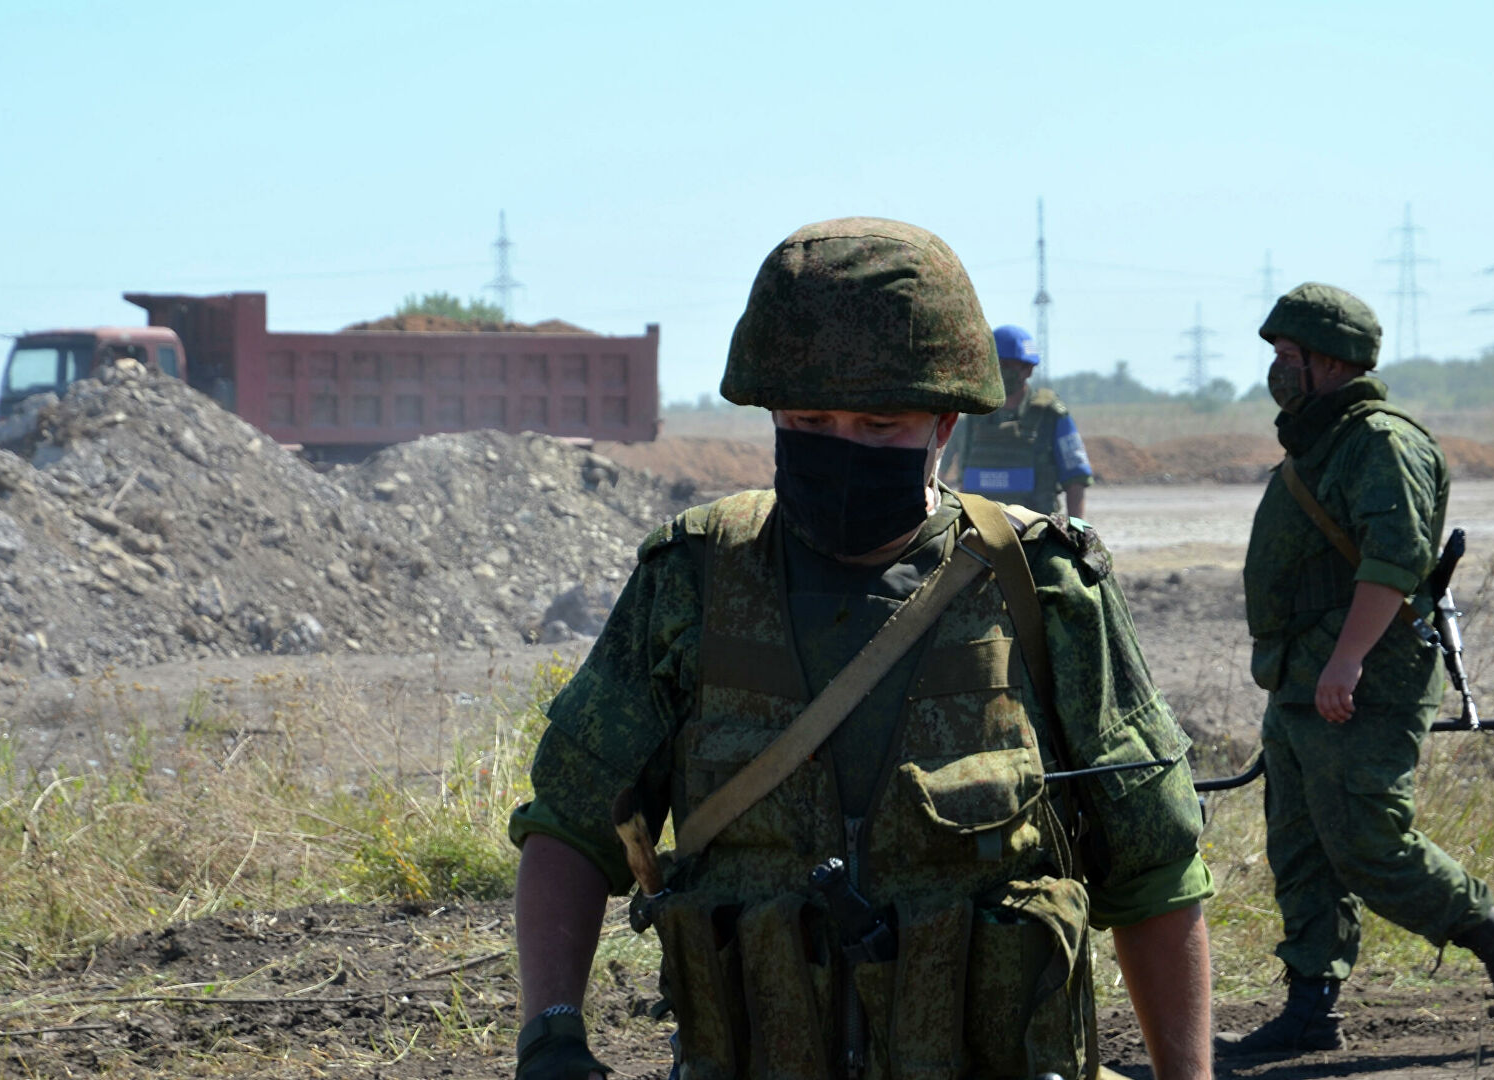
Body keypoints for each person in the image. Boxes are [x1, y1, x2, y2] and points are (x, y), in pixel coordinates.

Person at [509, 217, 1215, 1080]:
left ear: (944, 423)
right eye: (811, 419)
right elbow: (569, 825)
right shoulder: (692, 581)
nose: (843, 447)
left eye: (880, 425)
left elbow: (1155, 870)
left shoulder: (1043, 589)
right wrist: (550, 1031)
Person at [1218, 283, 1494, 1058]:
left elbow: (1394, 560)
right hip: (1305, 677)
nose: (1276, 370)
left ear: (1330, 361)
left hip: (1361, 677)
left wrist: (1346, 661)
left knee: (1368, 839)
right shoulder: (1320, 439)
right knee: (1301, 847)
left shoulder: (1380, 442)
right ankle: (1311, 1009)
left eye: (1288, 356)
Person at [940, 324, 1094, 518]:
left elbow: (1076, 479)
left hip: (1035, 532)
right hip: (976, 532)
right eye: (996, 364)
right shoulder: (971, 416)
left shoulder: (1051, 417)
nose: (1001, 372)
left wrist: (1076, 531)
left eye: (1008, 365)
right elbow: (940, 471)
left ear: (1028, 370)